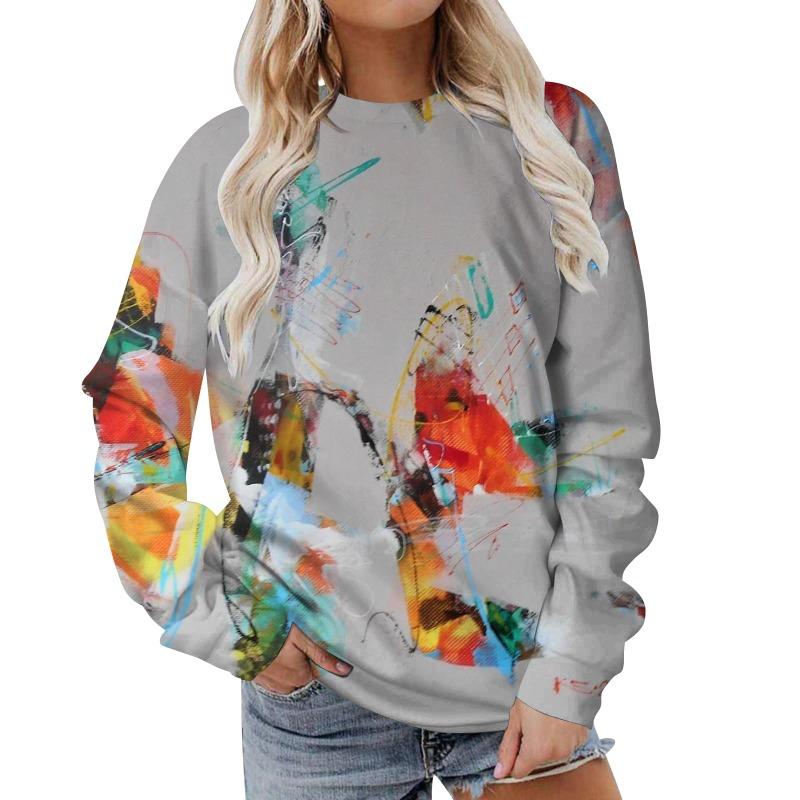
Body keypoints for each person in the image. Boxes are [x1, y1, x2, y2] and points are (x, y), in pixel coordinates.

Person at [80, 1, 659, 797]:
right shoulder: (229, 165)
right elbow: (130, 422)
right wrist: (223, 618)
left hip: (526, 695)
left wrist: (571, 665)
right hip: (317, 709)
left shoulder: (553, 137)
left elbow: (608, 429)